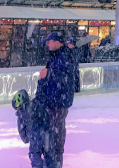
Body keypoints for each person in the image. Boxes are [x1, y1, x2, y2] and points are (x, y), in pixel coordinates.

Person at [35, 31, 76, 167]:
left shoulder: (64, 56)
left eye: (49, 41)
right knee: (51, 136)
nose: (47, 43)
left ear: (57, 42)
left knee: (56, 136)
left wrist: (48, 73)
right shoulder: (57, 56)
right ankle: (52, 162)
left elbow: (65, 77)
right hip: (52, 102)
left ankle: (55, 163)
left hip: (58, 103)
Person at [12, 89, 54, 168]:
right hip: (47, 135)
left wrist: (27, 138)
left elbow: (23, 135)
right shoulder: (37, 105)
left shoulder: (21, 117)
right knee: (50, 155)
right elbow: (47, 118)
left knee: (34, 155)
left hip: (34, 139)